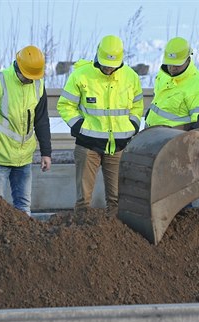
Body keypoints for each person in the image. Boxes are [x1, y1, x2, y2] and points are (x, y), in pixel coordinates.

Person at [57, 35, 144, 214]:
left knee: (117, 200)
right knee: (83, 201)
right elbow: (65, 105)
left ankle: (115, 236)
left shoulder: (131, 77)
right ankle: (81, 234)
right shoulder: (81, 75)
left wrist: (133, 125)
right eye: (106, 64)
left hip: (118, 147)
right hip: (88, 146)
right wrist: (79, 126)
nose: (109, 69)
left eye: (113, 66)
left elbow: (137, 105)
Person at [0, 45, 52, 215]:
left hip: (24, 158)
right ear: (18, 66)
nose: (31, 80)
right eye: (28, 76)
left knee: (23, 206)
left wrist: (46, 152)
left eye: (34, 77)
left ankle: (24, 242)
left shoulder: (38, 85)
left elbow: (42, 120)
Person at [145, 37, 199, 130]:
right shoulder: (164, 74)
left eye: (177, 64)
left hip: (174, 141)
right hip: (150, 134)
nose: (172, 68)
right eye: (169, 63)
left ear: (188, 59)